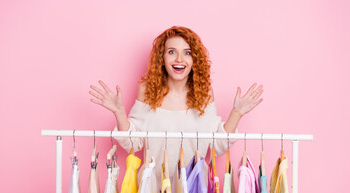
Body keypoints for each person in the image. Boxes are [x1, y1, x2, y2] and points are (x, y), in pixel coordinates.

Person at [89, 26, 263, 181]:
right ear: (162, 58)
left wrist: (236, 113)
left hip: (195, 190)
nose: (180, 58)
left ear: (194, 60)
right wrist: (119, 112)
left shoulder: (204, 94)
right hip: (152, 192)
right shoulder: (147, 90)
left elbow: (217, 146)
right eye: (172, 52)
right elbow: (134, 144)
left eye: (187, 53)